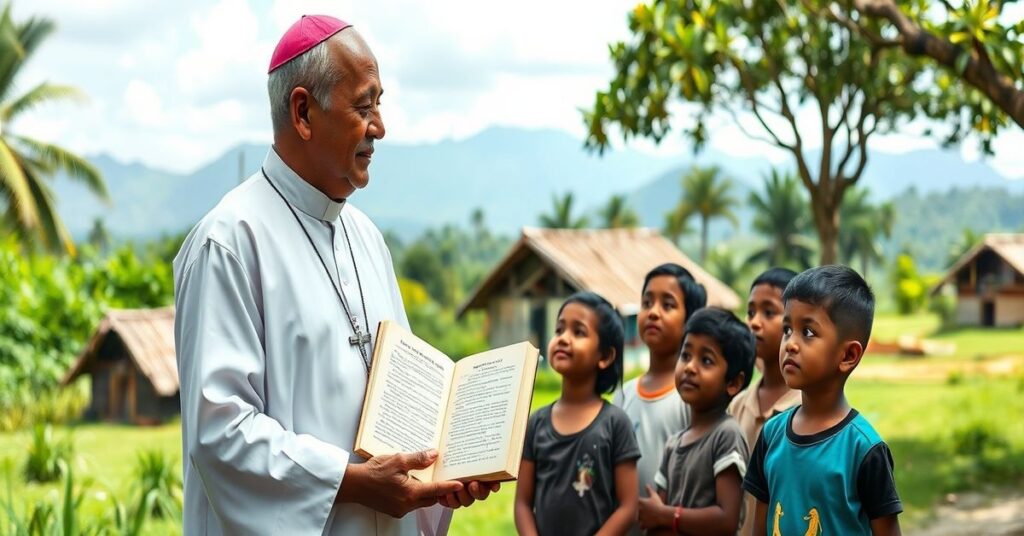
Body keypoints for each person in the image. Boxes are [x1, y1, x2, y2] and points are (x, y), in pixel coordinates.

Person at [173, 15, 493, 535]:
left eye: (379, 106)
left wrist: (441, 472)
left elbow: (408, 391)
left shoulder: (367, 238)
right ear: (303, 112)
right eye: (364, 107)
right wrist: (351, 481)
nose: (379, 128)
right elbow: (220, 433)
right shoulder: (229, 242)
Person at [743, 265, 903, 535]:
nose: (790, 343)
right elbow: (759, 527)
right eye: (787, 329)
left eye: (807, 332)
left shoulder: (864, 450)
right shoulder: (771, 435)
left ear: (848, 356)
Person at [514, 292, 640, 536]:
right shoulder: (536, 423)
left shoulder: (615, 423)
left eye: (578, 332)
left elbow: (628, 507)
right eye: (559, 329)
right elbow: (522, 503)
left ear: (605, 356)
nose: (563, 338)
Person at [638, 307, 753, 535]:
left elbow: (727, 519)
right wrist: (656, 514)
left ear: (733, 383)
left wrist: (666, 515)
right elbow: (655, 515)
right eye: (686, 355)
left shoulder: (726, 434)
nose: (690, 367)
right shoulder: (674, 443)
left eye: (706, 360)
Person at [613, 264, 705, 535]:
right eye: (647, 302)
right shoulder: (623, 394)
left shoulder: (692, 398)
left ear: (690, 319)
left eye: (668, 304)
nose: (653, 312)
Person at [729, 267, 800, 535]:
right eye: (750, 312)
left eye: (769, 313)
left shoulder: (804, 411)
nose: (754, 322)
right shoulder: (737, 404)